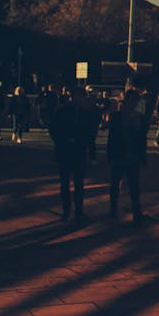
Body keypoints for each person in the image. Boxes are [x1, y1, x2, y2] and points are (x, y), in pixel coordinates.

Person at [49, 86, 98, 222]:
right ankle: (66, 211)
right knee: (65, 183)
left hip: (78, 151)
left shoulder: (85, 114)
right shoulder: (62, 111)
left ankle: (78, 211)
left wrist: (92, 155)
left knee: (78, 184)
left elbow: (90, 135)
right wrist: (62, 140)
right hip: (65, 150)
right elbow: (53, 129)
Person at [107, 89, 148, 224]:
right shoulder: (117, 116)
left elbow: (142, 138)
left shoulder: (138, 117)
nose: (134, 103)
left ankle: (136, 211)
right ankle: (114, 210)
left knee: (133, 186)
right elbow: (112, 137)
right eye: (133, 100)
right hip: (120, 153)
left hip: (132, 154)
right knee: (117, 184)